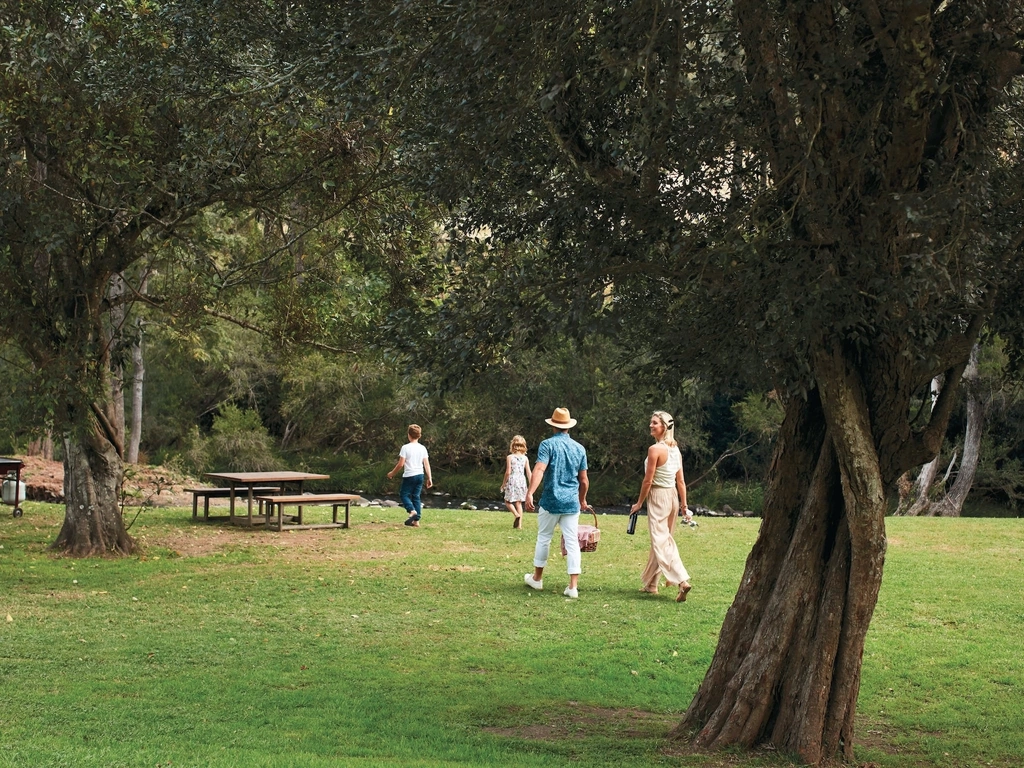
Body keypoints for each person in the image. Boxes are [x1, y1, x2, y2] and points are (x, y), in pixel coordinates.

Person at [524, 407, 589, 599]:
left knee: (544, 537)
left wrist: (530, 493)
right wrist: (582, 499)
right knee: (572, 542)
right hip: (571, 503)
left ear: (553, 426)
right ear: (568, 427)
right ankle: (573, 587)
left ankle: (537, 579)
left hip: (551, 501)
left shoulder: (547, 445)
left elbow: (539, 470)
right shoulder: (579, 448)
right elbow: (584, 480)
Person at [629, 410, 693, 602]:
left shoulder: (655, 450)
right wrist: (683, 505)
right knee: (662, 540)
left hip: (658, 495)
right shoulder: (675, 449)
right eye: (651, 422)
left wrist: (639, 503)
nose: (651, 425)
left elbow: (647, 481)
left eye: (655, 423)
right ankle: (652, 584)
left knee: (661, 540)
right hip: (672, 496)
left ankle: (682, 580)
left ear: (664, 427)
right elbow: (680, 481)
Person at [386, 424, 433, 527]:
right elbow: (426, 464)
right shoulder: (422, 448)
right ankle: (416, 521)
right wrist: (429, 478)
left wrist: (392, 473)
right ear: (419, 436)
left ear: (409, 435)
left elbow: (401, 464)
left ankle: (412, 511)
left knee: (404, 494)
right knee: (416, 496)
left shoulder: (405, 448)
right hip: (420, 475)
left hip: (409, 475)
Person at [500, 435, 531, 529]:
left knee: (507, 501)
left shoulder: (510, 457)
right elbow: (529, 472)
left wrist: (503, 484)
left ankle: (516, 514)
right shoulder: (525, 458)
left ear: (513, 445)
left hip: (512, 480)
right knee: (519, 503)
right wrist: (531, 484)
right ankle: (519, 526)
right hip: (522, 480)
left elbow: (508, 472)